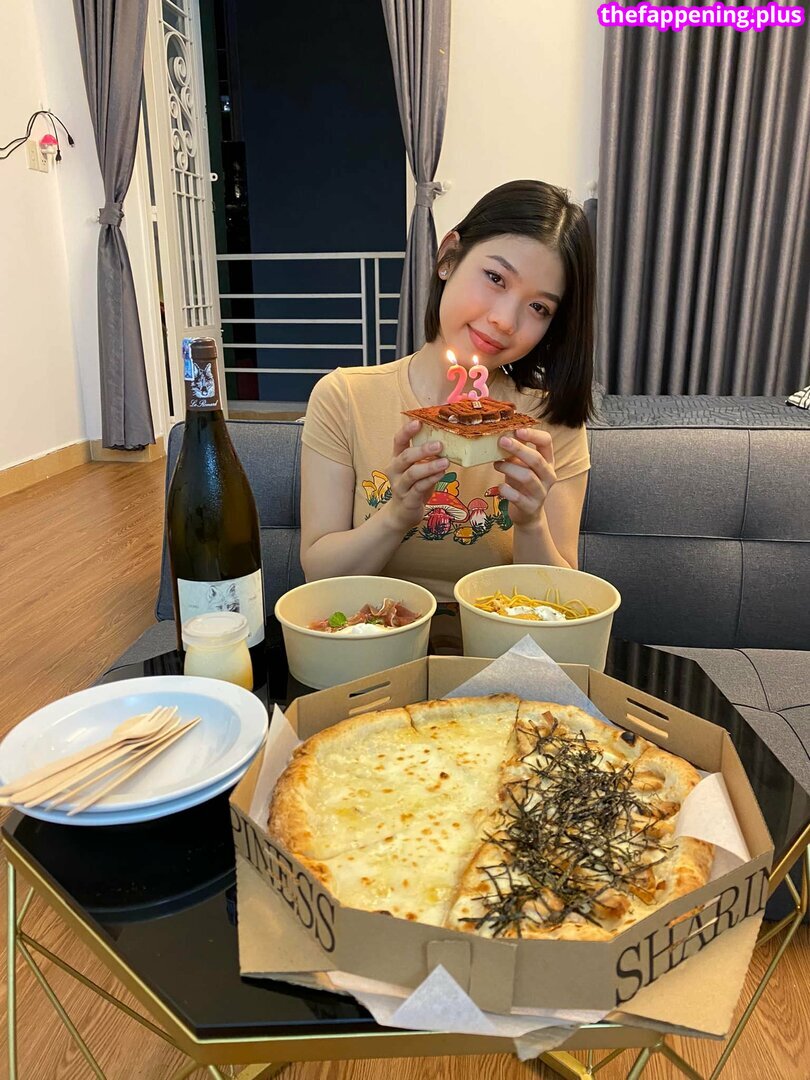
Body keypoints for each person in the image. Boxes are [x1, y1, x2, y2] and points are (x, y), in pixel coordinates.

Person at [299, 179, 595, 602]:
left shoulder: (549, 422)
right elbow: (319, 577)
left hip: (497, 635)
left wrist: (531, 523)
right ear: (448, 257)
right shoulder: (344, 397)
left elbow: (560, 603)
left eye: (538, 307)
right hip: (376, 632)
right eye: (495, 277)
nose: (505, 320)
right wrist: (396, 515)